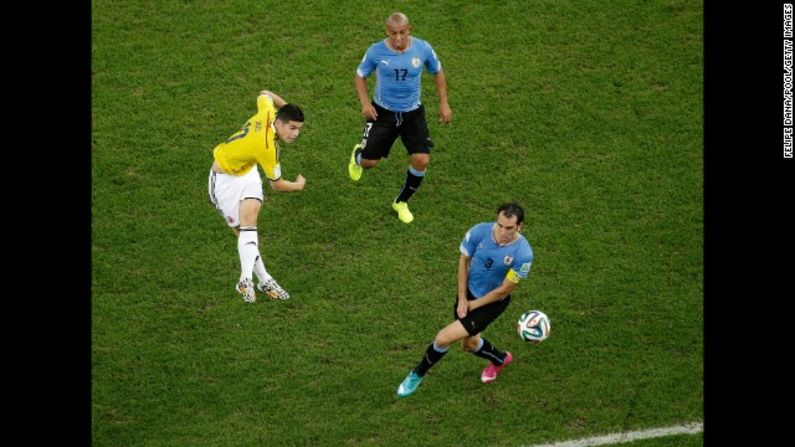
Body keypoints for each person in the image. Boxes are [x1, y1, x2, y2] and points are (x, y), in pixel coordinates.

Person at [396, 203, 534, 397]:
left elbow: (505, 289)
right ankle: (500, 359)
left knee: (443, 338)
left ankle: (417, 374)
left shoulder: (523, 254)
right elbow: (463, 261)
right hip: (468, 294)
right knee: (468, 345)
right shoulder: (479, 231)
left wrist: (473, 305)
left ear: (519, 226)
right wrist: (462, 298)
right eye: (500, 225)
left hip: (491, 304)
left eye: (509, 228)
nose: (503, 231)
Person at [347, 12, 452, 224]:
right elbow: (360, 76)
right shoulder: (376, 51)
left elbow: (437, 72)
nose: (398, 38)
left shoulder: (422, 48)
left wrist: (443, 103)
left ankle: (401, 201)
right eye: (393, 33)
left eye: (402, 33)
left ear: (409, 29)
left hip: (413, 113)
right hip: (382, 113)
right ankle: (358, 154)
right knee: (369, 162)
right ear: (387, 31)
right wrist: (365, 104)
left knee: (421, 159)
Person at [208, 90, 306, 303]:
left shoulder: (268, 113)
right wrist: (298, 186)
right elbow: (277, 185)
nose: (295, 133)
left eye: (298, 129)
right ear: (279, 123)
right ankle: (263, 279)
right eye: (292, 127)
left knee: (249, 225)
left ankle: (245, 280)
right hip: (223, 180)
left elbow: (265, 94)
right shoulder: (268, 148)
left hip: (247, 170)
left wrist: (288, 109)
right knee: (242, 233)